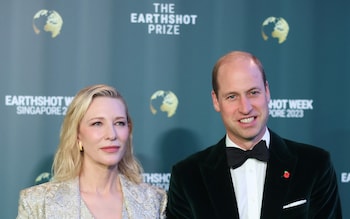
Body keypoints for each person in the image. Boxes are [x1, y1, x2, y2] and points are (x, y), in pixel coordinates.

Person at [166, 51, 342, 218]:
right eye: (232, 96)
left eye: (253, 93)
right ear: (216, 100)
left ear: (267, 91)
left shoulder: (314, 165)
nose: (246, 107)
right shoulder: (187, 176)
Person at [17, 84, 167, 219]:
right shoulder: (38, 203)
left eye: (119, 123)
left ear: (128, 131)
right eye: (97, 123)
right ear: (77, 135)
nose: (112, 134)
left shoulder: (154, 200)